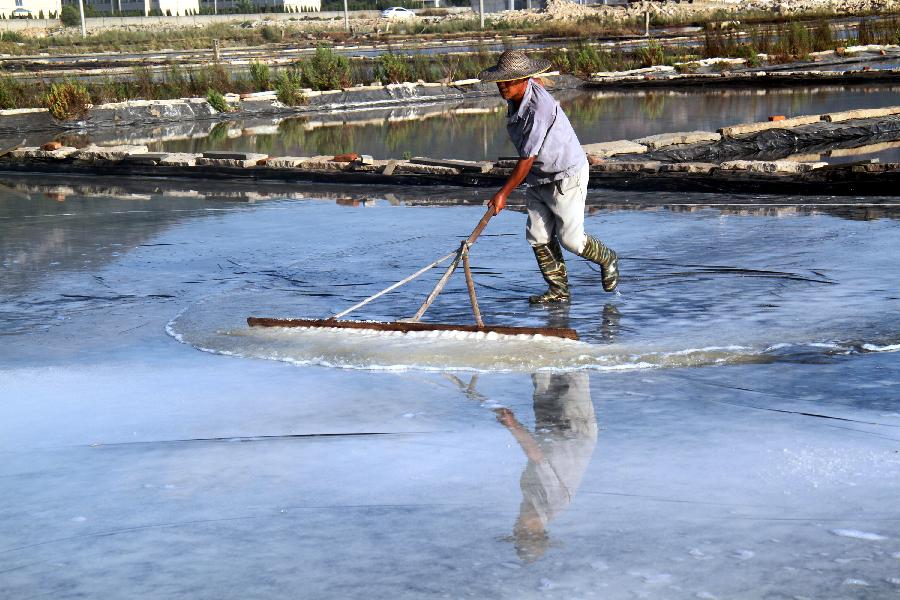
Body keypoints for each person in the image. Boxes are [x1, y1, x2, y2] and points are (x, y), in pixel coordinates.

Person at [478, 50, 619, 303]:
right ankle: (558, 291)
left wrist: (503, 194)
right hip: (538, 176)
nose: (502, 86)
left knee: (571, 241)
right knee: (538, 237)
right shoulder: (520, 93)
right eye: (501, 81)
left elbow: (527, 158)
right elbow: (538, 84)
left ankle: (607, 257)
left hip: (565, 175)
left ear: (524, 79)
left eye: (508, 81)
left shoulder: (538, 109)